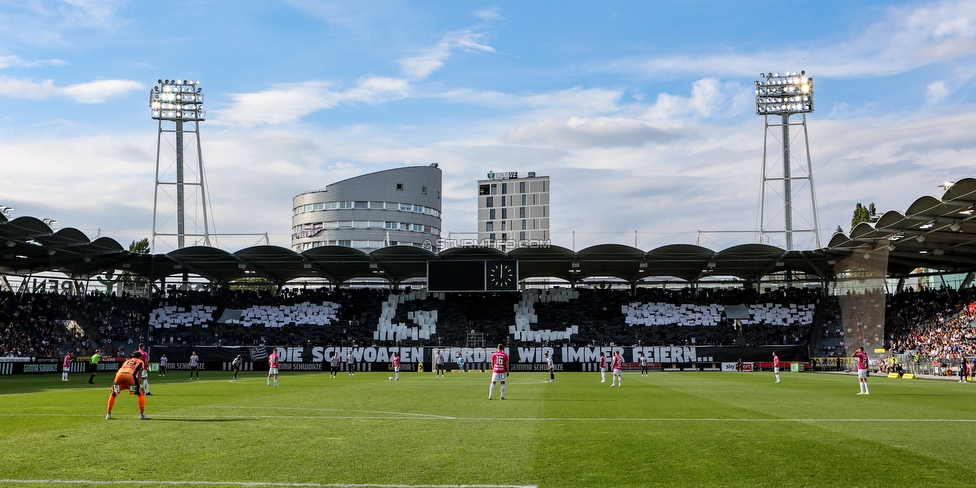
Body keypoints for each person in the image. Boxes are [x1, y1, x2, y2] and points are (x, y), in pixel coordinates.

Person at [106, 350, 149, 420]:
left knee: (113, 394)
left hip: (118, 376)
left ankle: (108, 414)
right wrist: (139, 385)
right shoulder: (140, 361)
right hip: (130, 376)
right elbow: (139, 374)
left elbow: (122, 370)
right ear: (140, 357)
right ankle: (142, 414)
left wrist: (114, 384)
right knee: (140, 393)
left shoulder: (126, 361)